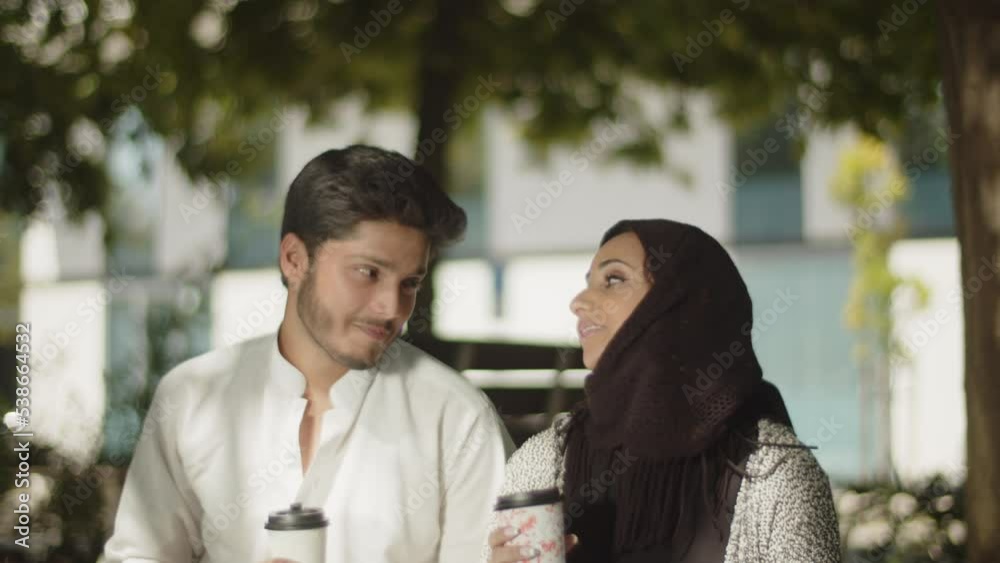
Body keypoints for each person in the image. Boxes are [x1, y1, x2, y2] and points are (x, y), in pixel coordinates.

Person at [105, 145, 515, 563]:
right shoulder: (192, 398)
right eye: (368, 272)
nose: (391, 308)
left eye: (409, 283)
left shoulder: (458, 421)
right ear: (294, 260)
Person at [486, 219, 841, 562]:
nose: (578, 301)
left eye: (613, 279)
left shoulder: (775, 471)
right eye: (588, 282)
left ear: (679, 301)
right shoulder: (546, 460)